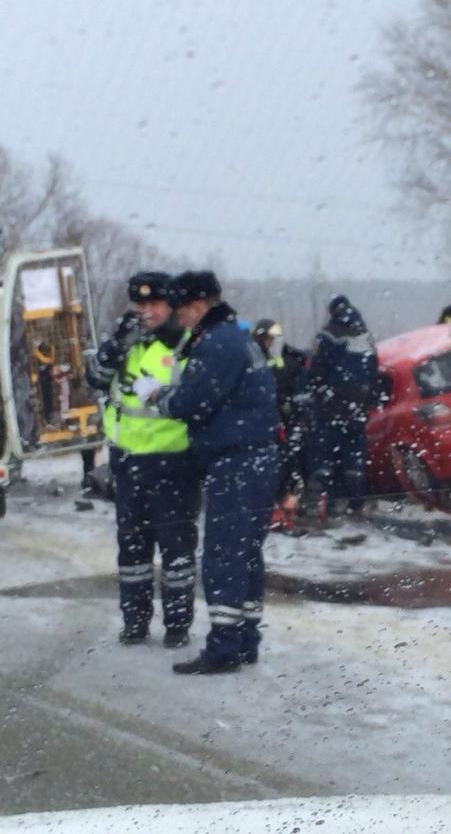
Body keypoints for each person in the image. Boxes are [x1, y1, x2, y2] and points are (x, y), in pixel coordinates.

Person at [146, 271, 279, 674]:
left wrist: (162, 398)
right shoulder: (238, 338)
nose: (180, 318)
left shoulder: (216, 344)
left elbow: (193, 401)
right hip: (257, 459)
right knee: (247, 554)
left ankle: (224, 648)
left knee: (224, 555)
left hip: (236, 463)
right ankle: (245, 639)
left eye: (182, 310)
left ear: (198, 305)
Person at [87, 271, 200, 647]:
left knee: (176, 551)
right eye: (140, 304)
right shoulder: (128, 342)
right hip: (128, 462)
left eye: (154, 304)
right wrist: (114, 347)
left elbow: (199, 402)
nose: (146, 311)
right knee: (132, 551)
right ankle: (135, 622)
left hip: (173, 463)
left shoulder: (186, 344)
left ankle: (177, 626)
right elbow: (96, 380)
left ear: (171, 306)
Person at [305, 294, 378, 517]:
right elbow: (375, 368)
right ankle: (355, 503)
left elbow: (315, 369)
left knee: (325, 456)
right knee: (354, 457)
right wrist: (366, 400)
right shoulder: (365, 335)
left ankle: (325, 504)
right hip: (358, 408)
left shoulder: (328, 334)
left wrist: (320, 393)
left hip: (332, 407)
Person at [253, 319, 309, 529]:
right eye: (266, 338)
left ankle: (279, 509)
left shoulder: (273, 359)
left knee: (286, 465)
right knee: (277, 467)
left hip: (277, 421)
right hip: (266, 422)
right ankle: (273, 511)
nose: (269, 342)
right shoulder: (255, 357)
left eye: (271, 339)